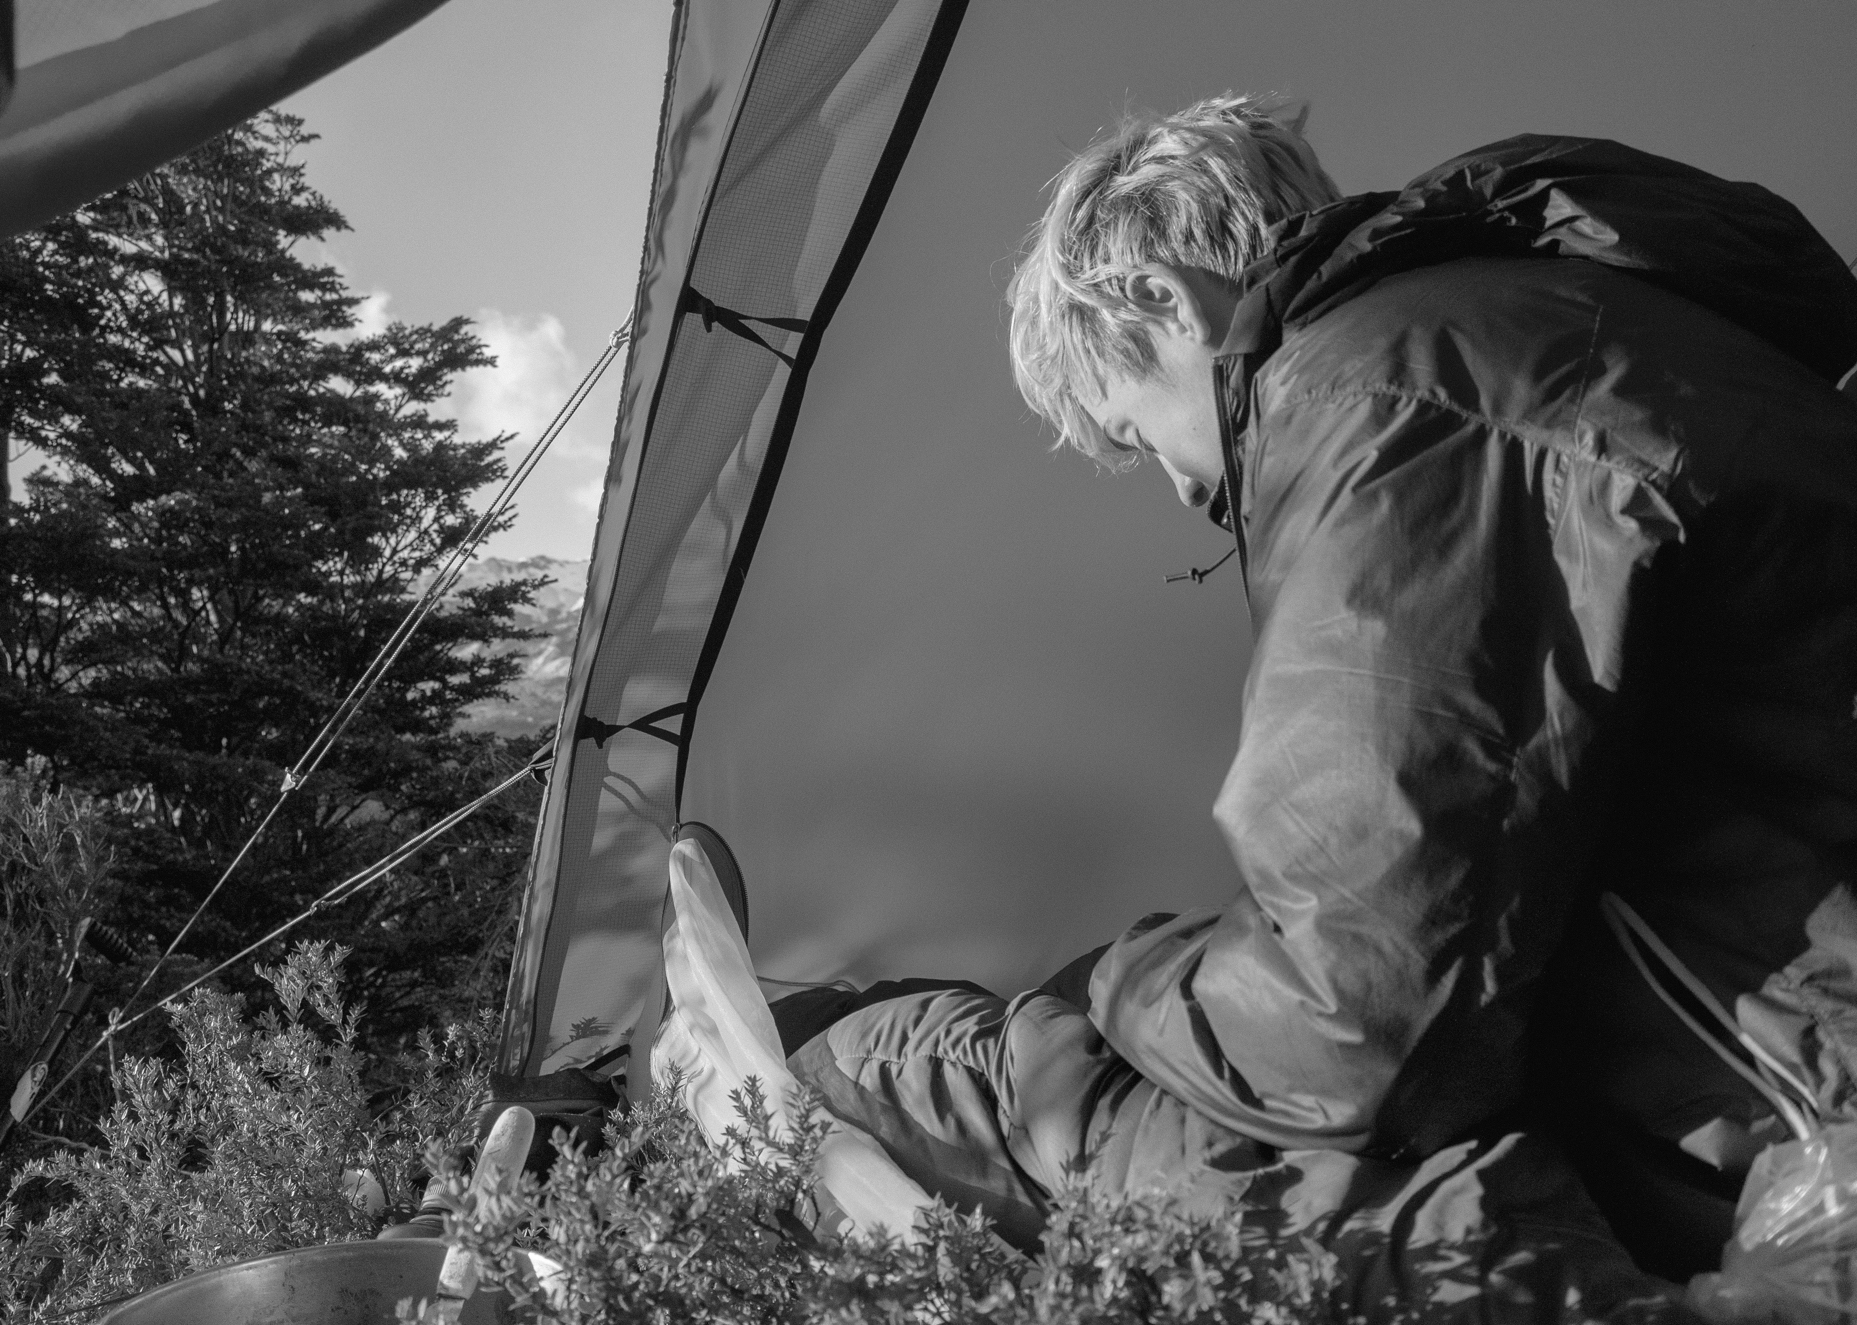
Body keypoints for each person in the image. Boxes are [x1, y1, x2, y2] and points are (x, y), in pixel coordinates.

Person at [717, 94, 1857, 1316]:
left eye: (1134, 429)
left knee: (1104, 1100)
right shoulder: (1579, 331)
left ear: (1161, 298)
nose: (1176, 484)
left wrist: (1116, 975)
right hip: (1759, 1104)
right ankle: (820, 1043)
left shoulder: (1387, 396)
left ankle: (800, 1066)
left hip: (1796, 1160)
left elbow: (1351, 1027)